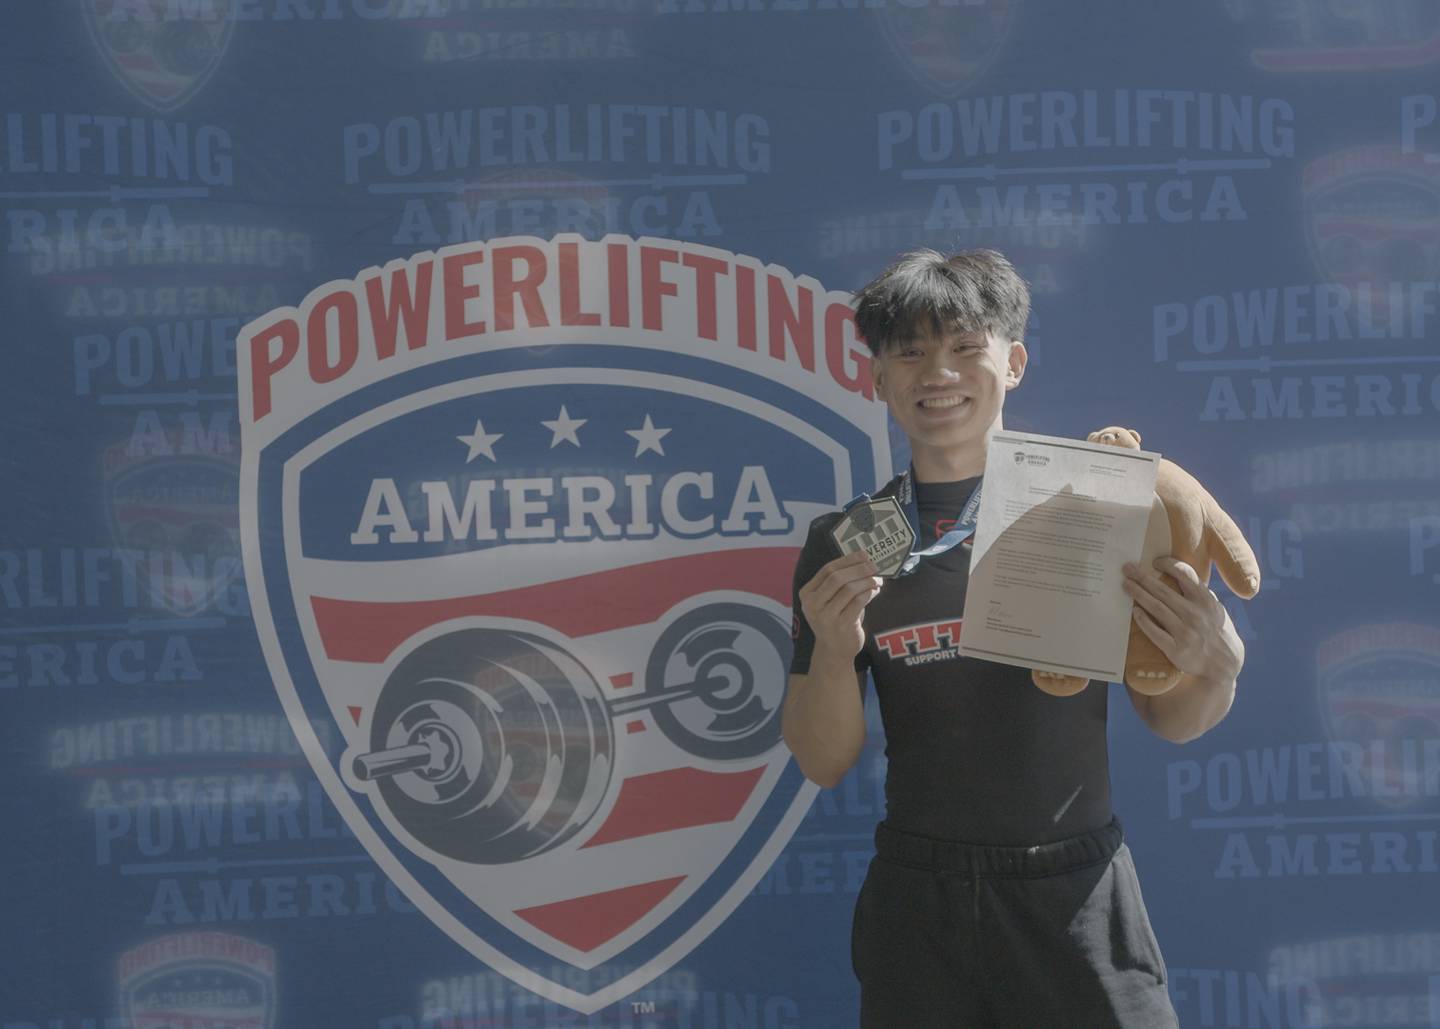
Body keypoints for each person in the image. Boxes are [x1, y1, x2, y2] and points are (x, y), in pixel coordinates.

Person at [782, 248, 1245, 1028]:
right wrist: (832, 647)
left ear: (1015, 361)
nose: (940, 373)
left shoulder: (1096, 505)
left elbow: (1172, 717)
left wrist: (1217, 668)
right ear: (878, 377)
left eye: (966, 347)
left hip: (1077, 894)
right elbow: (822, 760)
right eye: (911, 351)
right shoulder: (847, 544)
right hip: (920, 902)